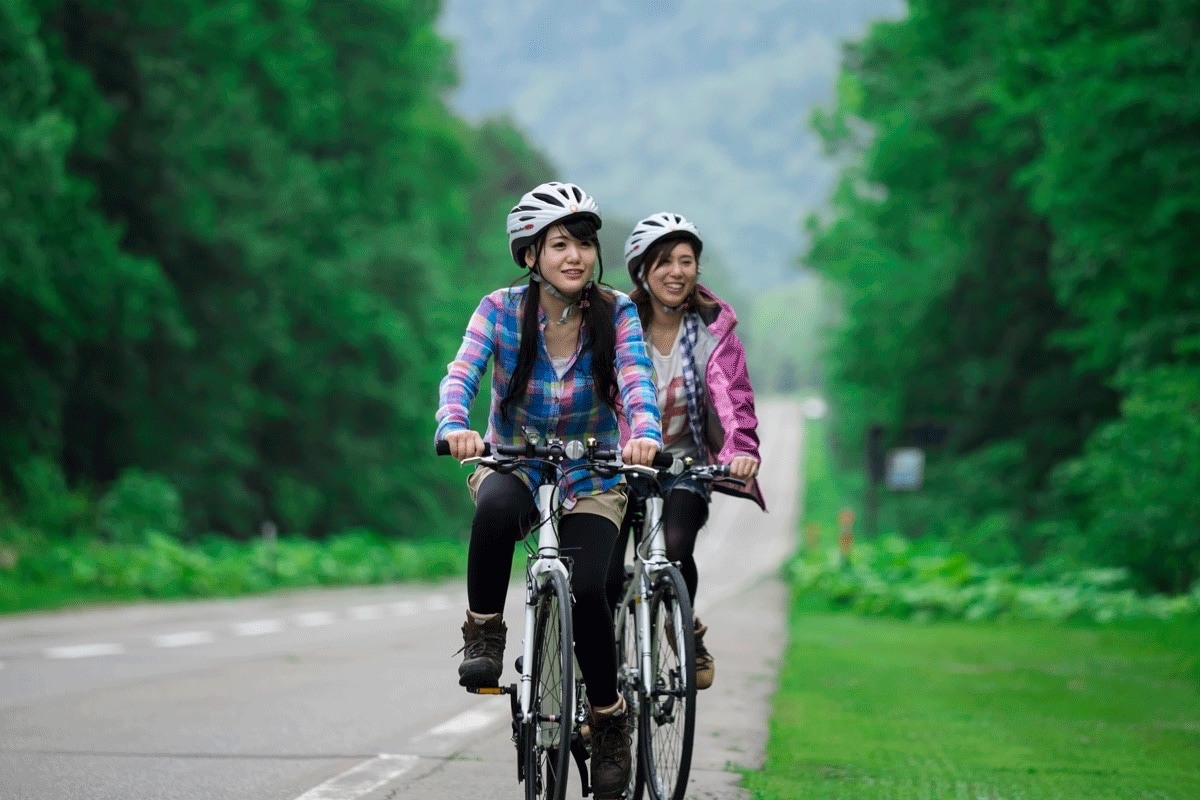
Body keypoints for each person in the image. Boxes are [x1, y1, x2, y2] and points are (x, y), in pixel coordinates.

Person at [436, 182, 661, 798]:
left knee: (590, 586)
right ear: (530, 255)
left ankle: (610, 722)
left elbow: (638, 386)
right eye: (559, 245)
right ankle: (483, 631)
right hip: (515, 459)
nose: (575, 257)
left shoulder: (617, 314)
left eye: (584, 245)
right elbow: (463, 371)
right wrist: (455, 425)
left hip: (594, 471)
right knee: (494, 510)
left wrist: (643, 436)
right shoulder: (499, 309)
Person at [608, 212, 766, 690]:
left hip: (685, 464)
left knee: (675, 546)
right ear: (642, 271)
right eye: (664, 262)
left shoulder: (714, 334)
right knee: (604, 569)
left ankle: (684, 627)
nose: (677, 271)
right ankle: (598, 672)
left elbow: (736, 399)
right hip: (618, 462)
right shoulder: (613, 326)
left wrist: (741, 450)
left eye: (687, 261)